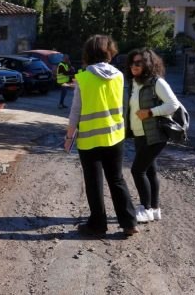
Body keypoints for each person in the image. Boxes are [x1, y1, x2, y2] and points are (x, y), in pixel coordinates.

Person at [65, 34, 138, 237]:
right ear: (109, 52)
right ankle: (129, 222)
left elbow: (75, 112)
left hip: (89, 140)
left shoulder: (83, 78)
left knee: (94, 181)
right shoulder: (119, 76)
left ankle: (97, 225)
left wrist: (69, 138)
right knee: (117, 179)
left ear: (88, 53)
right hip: (115, 136)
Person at [125, 48, 180, 223]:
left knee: (137, 170)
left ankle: (145, 208)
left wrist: (150, 112)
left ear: (148, 64)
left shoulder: (157, 82)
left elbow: (173, 105)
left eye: (138, 62)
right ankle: (155, 209)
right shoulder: (134, 83)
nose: (134, 65)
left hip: (155, 134)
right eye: (132, 62)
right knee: (150, 171)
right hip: (141, 134)